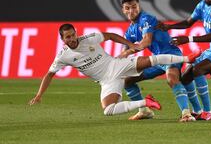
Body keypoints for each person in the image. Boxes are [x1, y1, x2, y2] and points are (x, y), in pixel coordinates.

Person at [29, 23, 200, 117]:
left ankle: (186, 58)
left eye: (73, 35)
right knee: (108, 110)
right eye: (68, 37)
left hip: (115, 64)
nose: (72, 39)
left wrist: (129, 45)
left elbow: (110, 35)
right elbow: (49, 74)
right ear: (62, 39)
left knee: (149, 60)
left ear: (76, 33)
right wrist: (38, 95)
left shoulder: (88, 38)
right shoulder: (63, 56)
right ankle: (146, 103)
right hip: (107, 81)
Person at [120, 0, 200, 122]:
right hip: (157, 60)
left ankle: (186, 114)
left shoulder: (146, 18)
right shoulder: (130, 30)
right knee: (127, 80)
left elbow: (146, 41)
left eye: (134, 7)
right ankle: (144, 111)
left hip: (171, 55)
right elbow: (122, 54)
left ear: (139, 6)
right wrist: (113, 67)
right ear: (123, 10)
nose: (131, 11)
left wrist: (127, 52)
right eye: (127, 8)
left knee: (172, 78)